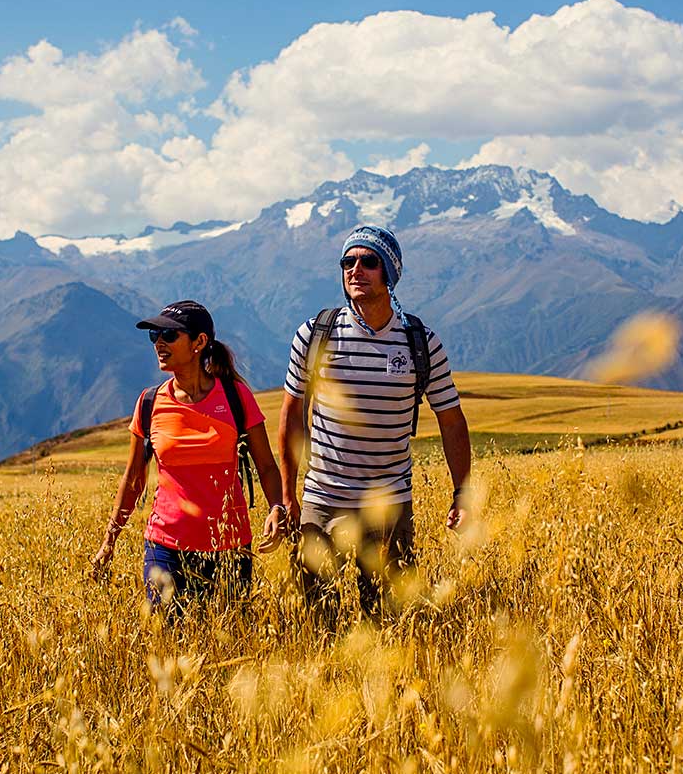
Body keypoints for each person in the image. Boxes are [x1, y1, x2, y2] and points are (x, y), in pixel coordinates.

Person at [279, 225, 471, 625]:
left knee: (391, 622)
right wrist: (286, 496)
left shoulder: (421, 342)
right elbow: (291, 417)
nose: (355, 270)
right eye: (348, 262)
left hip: (389, 507)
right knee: (316, 622)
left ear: (390, 273)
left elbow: (451, 421)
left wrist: (462, 494)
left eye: (369, 261)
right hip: (323, 498)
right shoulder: (316, 336)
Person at [92, 300, 286, 614]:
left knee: (230, 643)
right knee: (169, 646)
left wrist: (277, 506)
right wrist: (109, 541)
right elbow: (133, 480)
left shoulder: (236, 396)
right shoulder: (150, 403)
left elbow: (266, 465)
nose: (158, 342)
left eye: (169, 335)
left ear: (199, 342)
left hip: (229, 546)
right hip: (165, 546)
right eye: (154, 334)